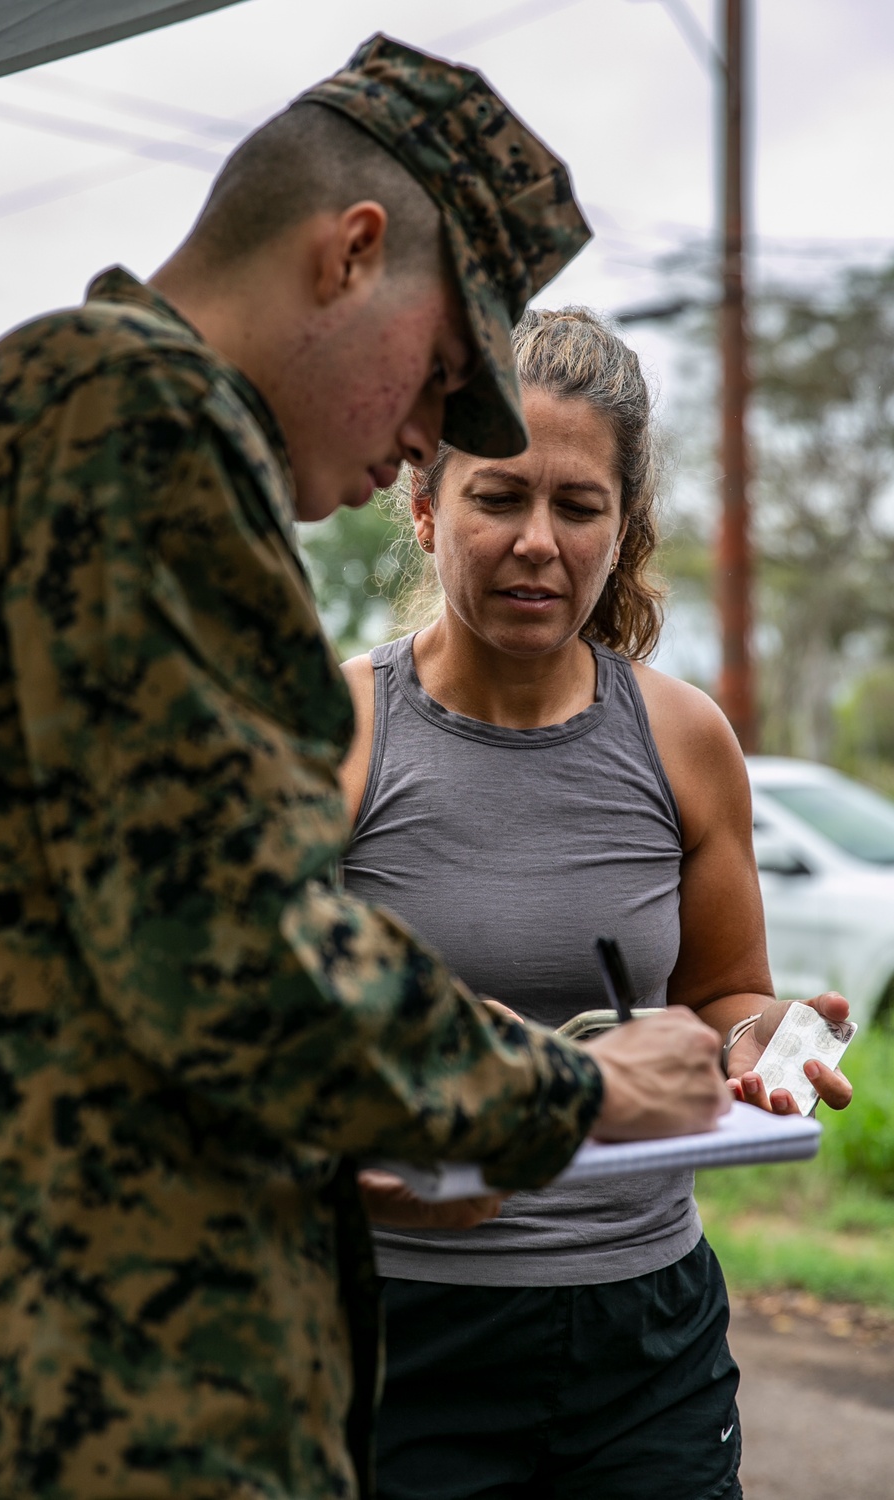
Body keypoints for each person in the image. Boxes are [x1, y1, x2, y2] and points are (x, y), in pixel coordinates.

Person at [0, 36, 730, 1500]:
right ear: (351, 257)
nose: (419, 438)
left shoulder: (78, 410)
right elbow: (236, 954)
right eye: (445, 386)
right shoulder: (137, 426)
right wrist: (572, 1093)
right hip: (100, 1386)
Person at [340, 306, 854, 1500]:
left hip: (644, 1334)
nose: (538, 542)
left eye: (578, 507)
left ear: (622, 531)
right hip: (403, 1328)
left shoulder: (681, 739)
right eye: (497, 498)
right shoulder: (341, 733)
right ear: (425, 509)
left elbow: (721, 988)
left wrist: (758, 1037)